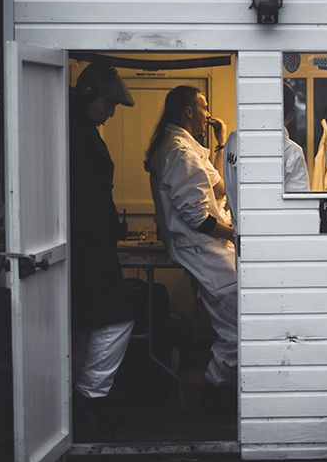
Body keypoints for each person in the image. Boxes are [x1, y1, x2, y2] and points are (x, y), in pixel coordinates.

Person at [144, 86, 237, 408]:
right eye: (204, 107)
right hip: (202, 248)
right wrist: (234, 235)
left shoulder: (187, 148)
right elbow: (197, 217)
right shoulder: (179, 153)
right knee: (241, 325)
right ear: (188, 111)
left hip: (207, 246)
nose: (208, 114)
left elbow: (220, 184)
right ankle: (215, 388)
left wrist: (223, 141)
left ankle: (219, 385)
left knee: (237, 322)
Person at [68, 62, 137, 439]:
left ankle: (78, 399)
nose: (111, 113)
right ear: (89, 96)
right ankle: (88, 395)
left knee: (83, 322)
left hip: (88, 243)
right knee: (118, 317)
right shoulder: (79, 136)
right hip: (88, 245)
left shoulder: (77, 130)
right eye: (107, 105)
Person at [223, 83, 308, 236]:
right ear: (291, 114)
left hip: (240, 238)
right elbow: (298, 211)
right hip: (274, 242)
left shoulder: (233, 140)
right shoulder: (291, 152)